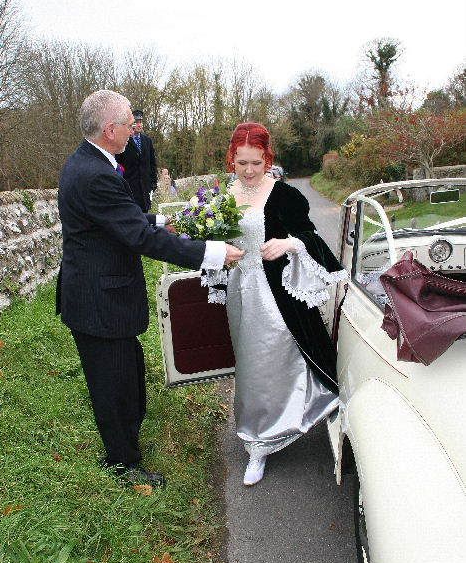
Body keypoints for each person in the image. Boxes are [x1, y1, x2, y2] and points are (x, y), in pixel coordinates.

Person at [56, 90, 243, 487]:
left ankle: (126, 446)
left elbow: (121, 218)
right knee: (112, 386)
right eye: (129, 124)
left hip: (99, 295)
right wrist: (211, 253)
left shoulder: (89, 162)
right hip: (98, 301)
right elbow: (138, 238)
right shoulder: (95, 174)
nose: (134, 130)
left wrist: (160, 221)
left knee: (126, 376)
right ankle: (122, 465)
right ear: (110, 130)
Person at [211, 122, 347, 486]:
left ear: (267, 158)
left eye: (256, 162)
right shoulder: (223, 196)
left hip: (278, 295)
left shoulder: (285, 195)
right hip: (242, 293)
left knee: (283, 359)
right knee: (252, 366)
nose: (249, 170)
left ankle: (267, 436)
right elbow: (216, 241)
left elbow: (310, 237)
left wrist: (288, 243)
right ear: (232, 158)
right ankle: (257, 439)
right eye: (242, 162)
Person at [115, 109, 157, 211]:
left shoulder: (147, 141)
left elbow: (152, 164)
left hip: (145, 191)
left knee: (146, 217)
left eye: (141, 122)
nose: (139, 125)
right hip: (130, 190)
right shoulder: (124, 141)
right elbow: (118, 165)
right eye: (136, 122)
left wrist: (153, 184)